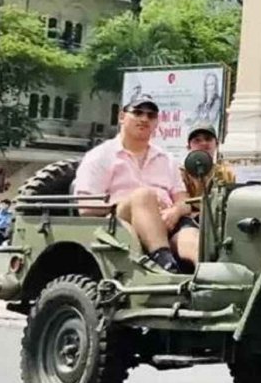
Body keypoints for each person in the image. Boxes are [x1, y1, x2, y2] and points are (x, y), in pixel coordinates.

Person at [73, 94, 197, 273]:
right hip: (120, 222)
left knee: (192, 237)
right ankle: (164, 265)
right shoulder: (100, 156)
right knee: (144, 195)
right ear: (122, 117)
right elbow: (85, 206)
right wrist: (129, 203)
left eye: (151, 115)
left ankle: (212, 282)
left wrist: (175, 211)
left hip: (166, 222)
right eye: (138, 113)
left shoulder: (166, 159)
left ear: (156, 122)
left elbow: (184, 200)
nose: (144, 119)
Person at [181, 122, 235, 200]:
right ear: (188, 147)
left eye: (208, 139)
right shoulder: (180, 174)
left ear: (216, 144)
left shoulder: (225, 172)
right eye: (197, 140)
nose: (203, 143)